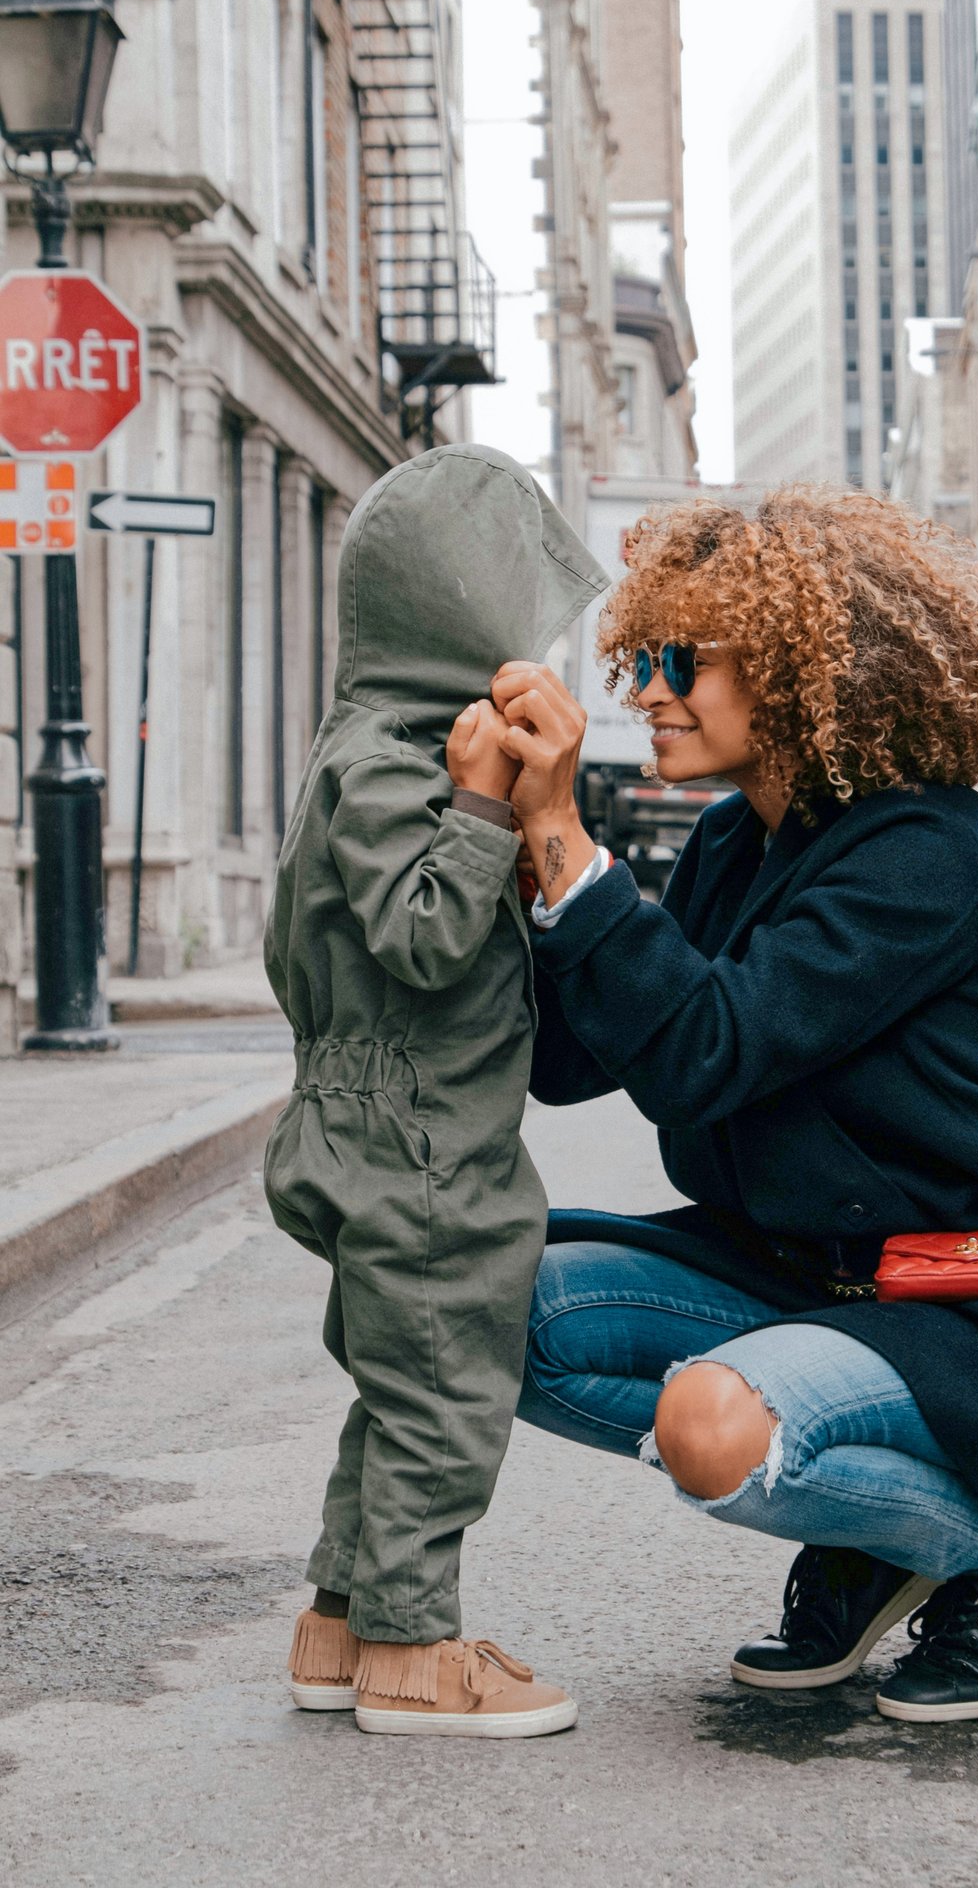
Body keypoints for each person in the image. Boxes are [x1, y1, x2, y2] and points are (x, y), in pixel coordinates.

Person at [493, 486, 978, 1725]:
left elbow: (705, 1050)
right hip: (802, 1275)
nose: (645, 692)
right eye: (640, 658)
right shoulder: (734, 846)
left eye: (680, 661)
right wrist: (508, 837)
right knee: (488, 1314)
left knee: (713, 1429)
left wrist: (569, 844)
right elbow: (579, 1059)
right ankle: (877, 1530)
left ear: (804, 667)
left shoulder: (919, 853)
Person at [262, 444, 605, 1736]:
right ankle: (415, 1651)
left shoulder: (360, 749)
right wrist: (480, 812)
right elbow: (419, 936)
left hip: (368, 1124)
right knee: (449, 1395)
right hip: (422, 1143)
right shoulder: (403, 763)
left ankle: (342, 1623)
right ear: (455, 613)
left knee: (394, 1387)